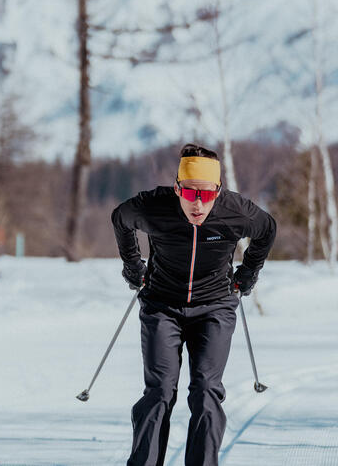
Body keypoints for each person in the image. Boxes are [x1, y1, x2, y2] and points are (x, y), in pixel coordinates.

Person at [111, 143, 276, 466]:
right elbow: (121, 219)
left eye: (206, 194)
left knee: (205, 389)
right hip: (162, 306)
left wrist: (248, 274)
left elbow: (267, 230)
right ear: (177, 188)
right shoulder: (154, 207)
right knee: (160, 390)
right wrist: (133, 267)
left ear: (218, 190)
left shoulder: (235, 212)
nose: (198, 204)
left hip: (214, 306)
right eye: (189, 194)